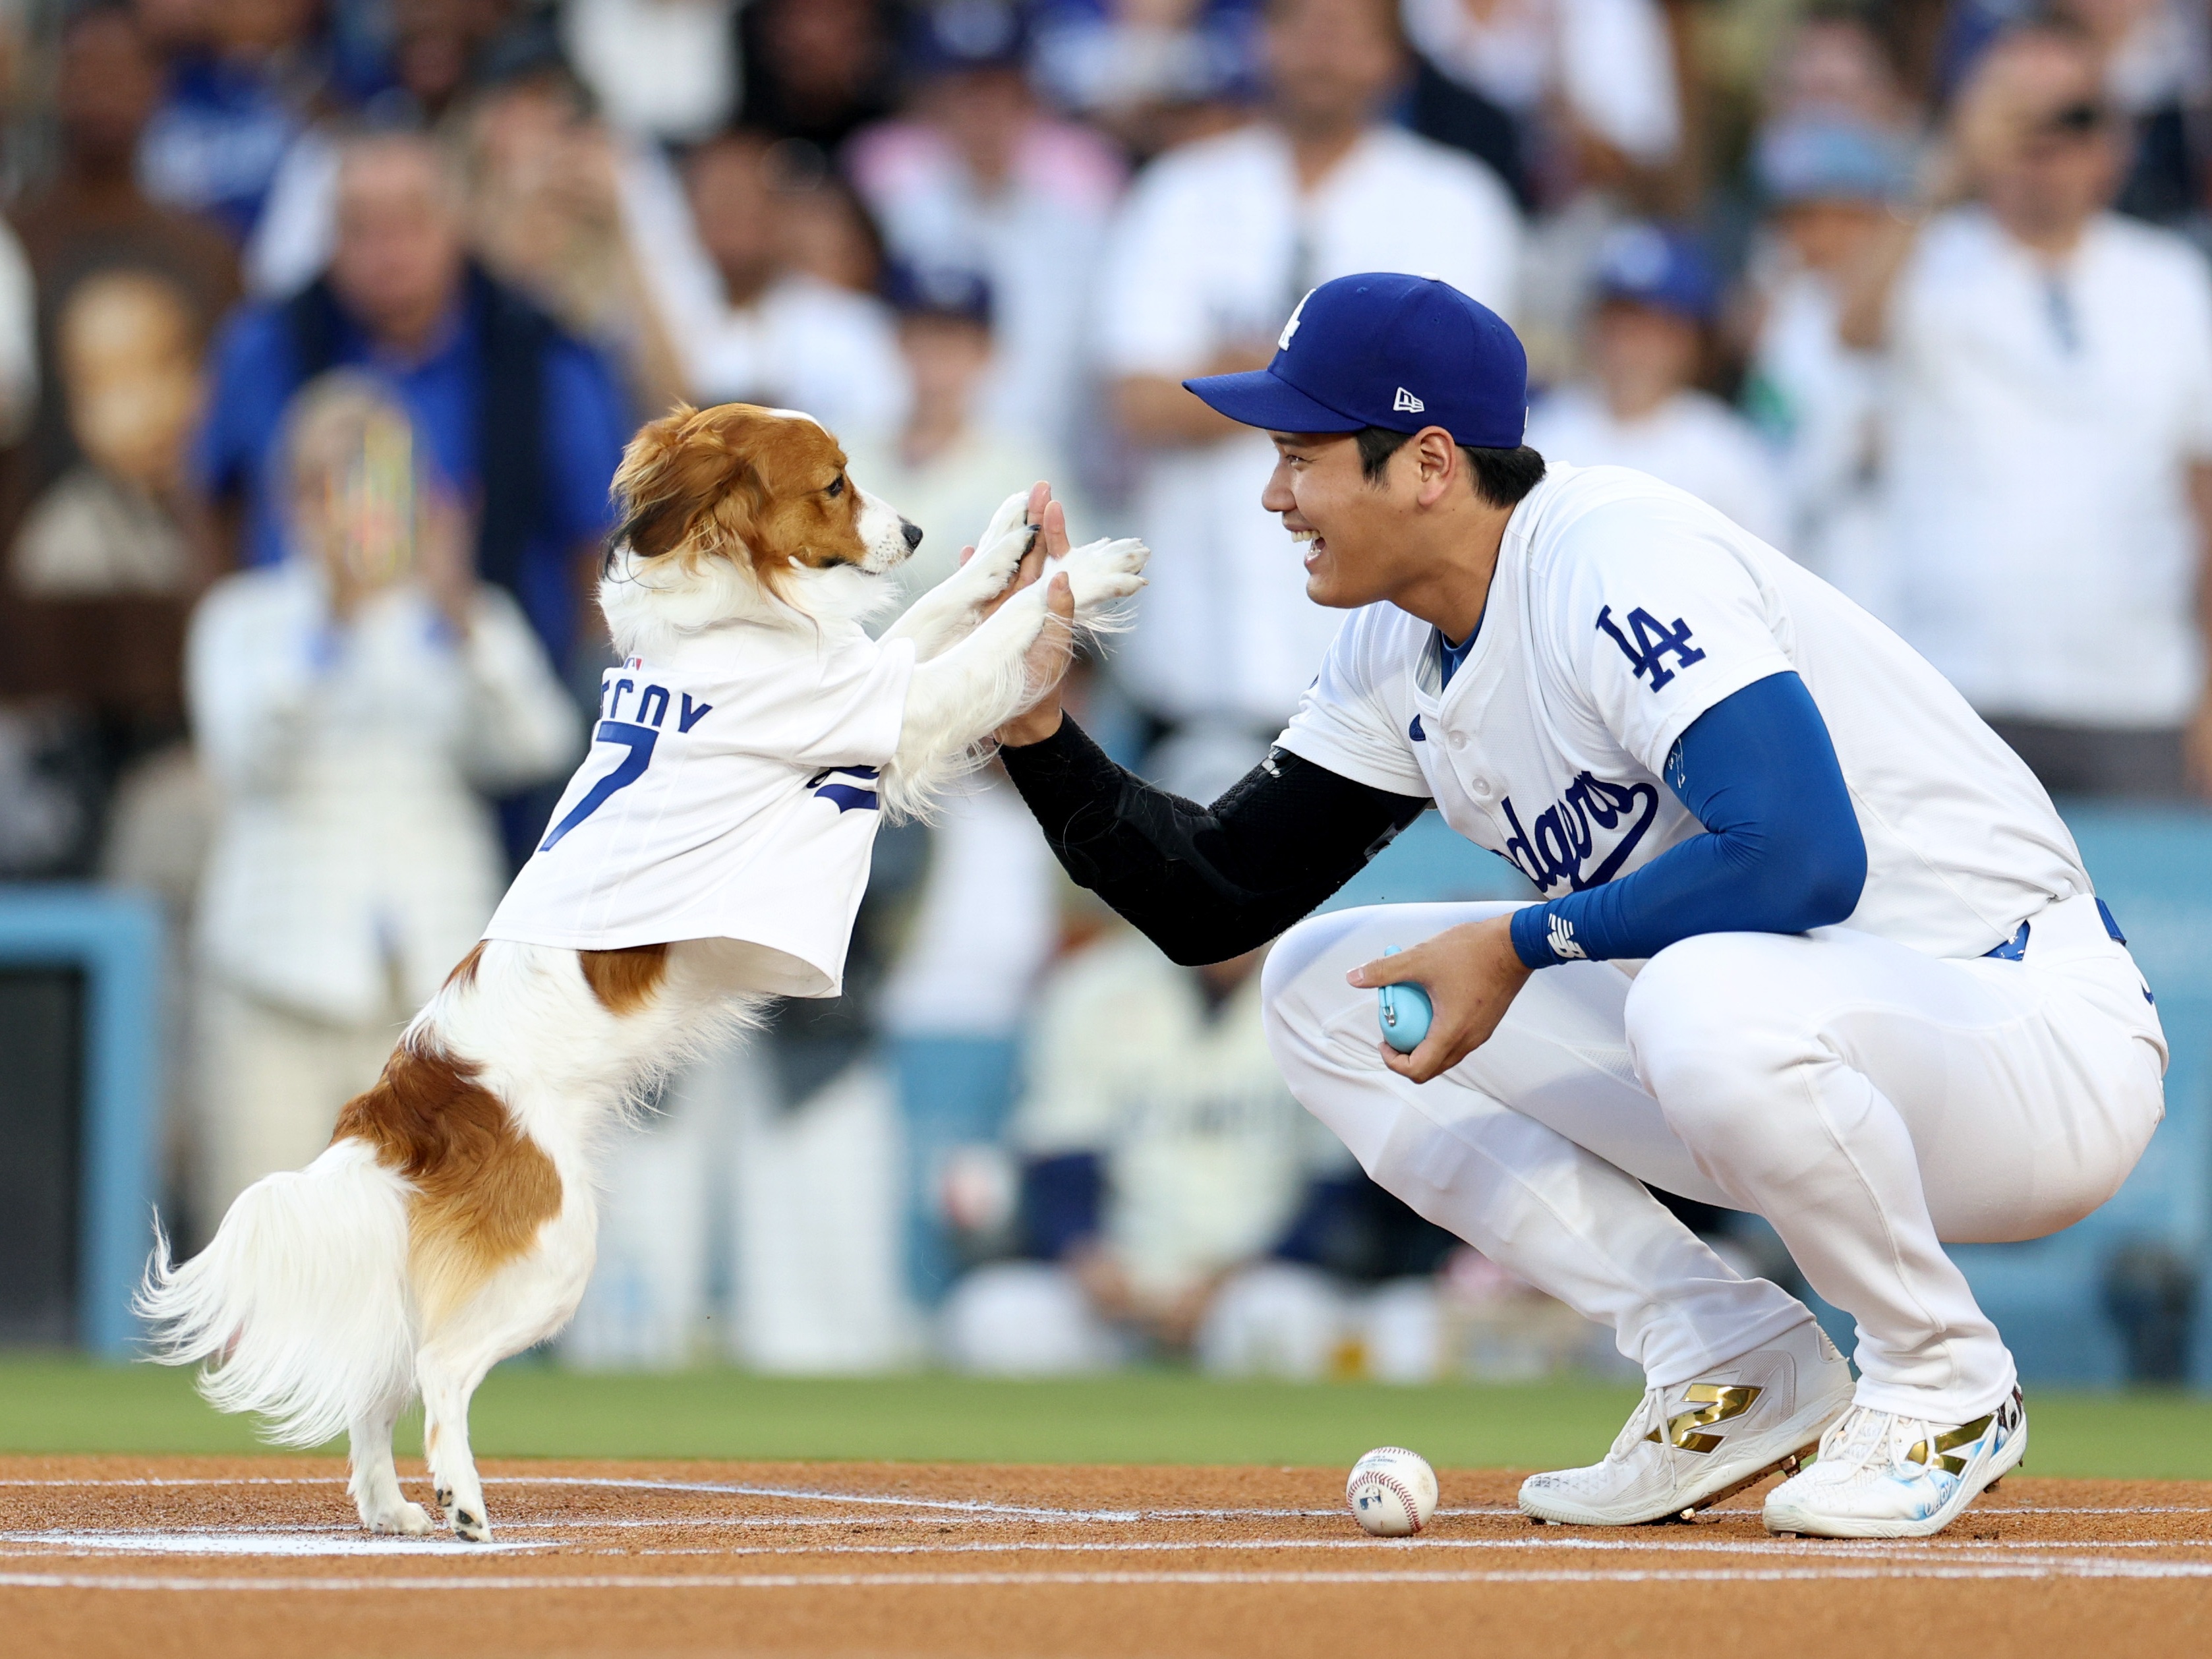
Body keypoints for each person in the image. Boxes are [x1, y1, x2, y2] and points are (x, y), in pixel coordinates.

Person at [991, 271, 2164, 1540]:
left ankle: (1942, 1377)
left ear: (1429, 462)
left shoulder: (1611, 555)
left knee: (1701, 993)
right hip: (1802, 1046)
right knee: (1325, 994)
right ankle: (1723, 1353)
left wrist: (1521, 939)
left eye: (1301, 455)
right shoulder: (1394, 648)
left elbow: (1798, 856)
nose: (1274, 495)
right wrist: (1041, 731)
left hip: (2023, 1027)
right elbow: (1213, 898)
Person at [186, 371, 577, 1237]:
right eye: (331, 480)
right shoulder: (245, 618)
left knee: (413, 1249)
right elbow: (243, 756)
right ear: (295, 496)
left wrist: (461, 611)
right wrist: (331, 626)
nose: (353, 502)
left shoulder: (459, 618)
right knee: (268, 1241)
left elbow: (538, 745)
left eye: (374, 475)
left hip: (424, 992)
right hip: (274, 974)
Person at [1097, 0, 1521, 747]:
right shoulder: (1179, 191)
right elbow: (1137, 403)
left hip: (1389, 685)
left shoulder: (1457, 202)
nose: (1322, 51)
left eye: (1349, 31)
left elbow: (1449, 425)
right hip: (1195, 666)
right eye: (1300, 25)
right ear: (1261, 40)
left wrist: (1235, 374)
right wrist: (1342, 388)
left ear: (1394, 57)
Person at [1843, 23, 2212, 798]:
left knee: (2142, 918)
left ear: (2112, 139)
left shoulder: (2171, 281)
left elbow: (2202, 496)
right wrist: (1944, 165)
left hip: (2135, 690)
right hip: (1953, 683)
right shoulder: (1926, 254)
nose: (2043, 141)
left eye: (2070, 117)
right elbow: (1851, 326)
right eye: (2017, 114)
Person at [195, 131, 629, 680]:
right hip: (300, 700)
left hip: (494, 690)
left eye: (409, 222)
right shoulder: (264, 347)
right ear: (328, 236)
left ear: (459, 224)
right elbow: (211, 499)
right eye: (361, 228)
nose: (387, 251)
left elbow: (597, 544)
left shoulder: (543, 353)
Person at [943, 931, 1356, 1376]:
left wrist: (1233, 1277)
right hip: (1118, 1287)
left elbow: (1331, 1187)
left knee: (1292, 1319)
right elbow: (1061, 1155)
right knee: (991, 1317)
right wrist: (1088, 1258)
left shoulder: (1318, 990)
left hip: (1249, 1286)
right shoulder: (1096, 984)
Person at [846, 1, 1126, 477]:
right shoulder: (888, 210)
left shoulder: (1081, 224)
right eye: (965, 93)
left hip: (1053, 481)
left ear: (1028, 98)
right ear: (934, 101)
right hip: (916, 481)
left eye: (998, 90)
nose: (983, 112)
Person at [1525, 224, 1788, 548]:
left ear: (1690, 342)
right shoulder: (1540, 434)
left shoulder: (1728, 452)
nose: (1629, 343)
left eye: (1652, 328)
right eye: (1618, 322)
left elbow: (1770, 579)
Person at [641, 130, 906, 443]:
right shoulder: (654, 318)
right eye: (716, 202)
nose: (731, 219)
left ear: (782, 212)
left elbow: (880, 449)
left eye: (745, 200)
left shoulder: (849, 325)